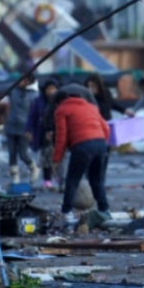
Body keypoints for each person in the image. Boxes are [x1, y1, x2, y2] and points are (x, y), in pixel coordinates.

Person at [53, 91, 111, 224]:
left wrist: (56, 159)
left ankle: (66, 211)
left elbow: (61, 137)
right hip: (100, 142)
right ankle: (104, 210)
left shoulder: (61, 110)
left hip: (82, 145)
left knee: (72, 180)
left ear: (58, 102)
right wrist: (104, 145)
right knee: (97, 180)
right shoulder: (91, 107)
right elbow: (106, 127)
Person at [5, 74, 40, 184]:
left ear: (29, 81)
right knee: (12, 153)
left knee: (23, 153)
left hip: (25, 128)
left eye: (24, 80)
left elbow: (36, 114)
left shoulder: (34, 95)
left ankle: (34, 168)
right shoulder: (14, 90)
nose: (21, 82)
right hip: (11, 126)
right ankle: (15, 178)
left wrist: (33, 129)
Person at [26, 79, 60, 189]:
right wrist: (29, 129)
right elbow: (32, 116)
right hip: (43, 133)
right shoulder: (39, 101)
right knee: (46, 157)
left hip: (59, 132)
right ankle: (47, 180)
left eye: (53, 89)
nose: (51, 91)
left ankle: (59, 177)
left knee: (58, 156)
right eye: (49, 89)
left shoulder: (60, 100)